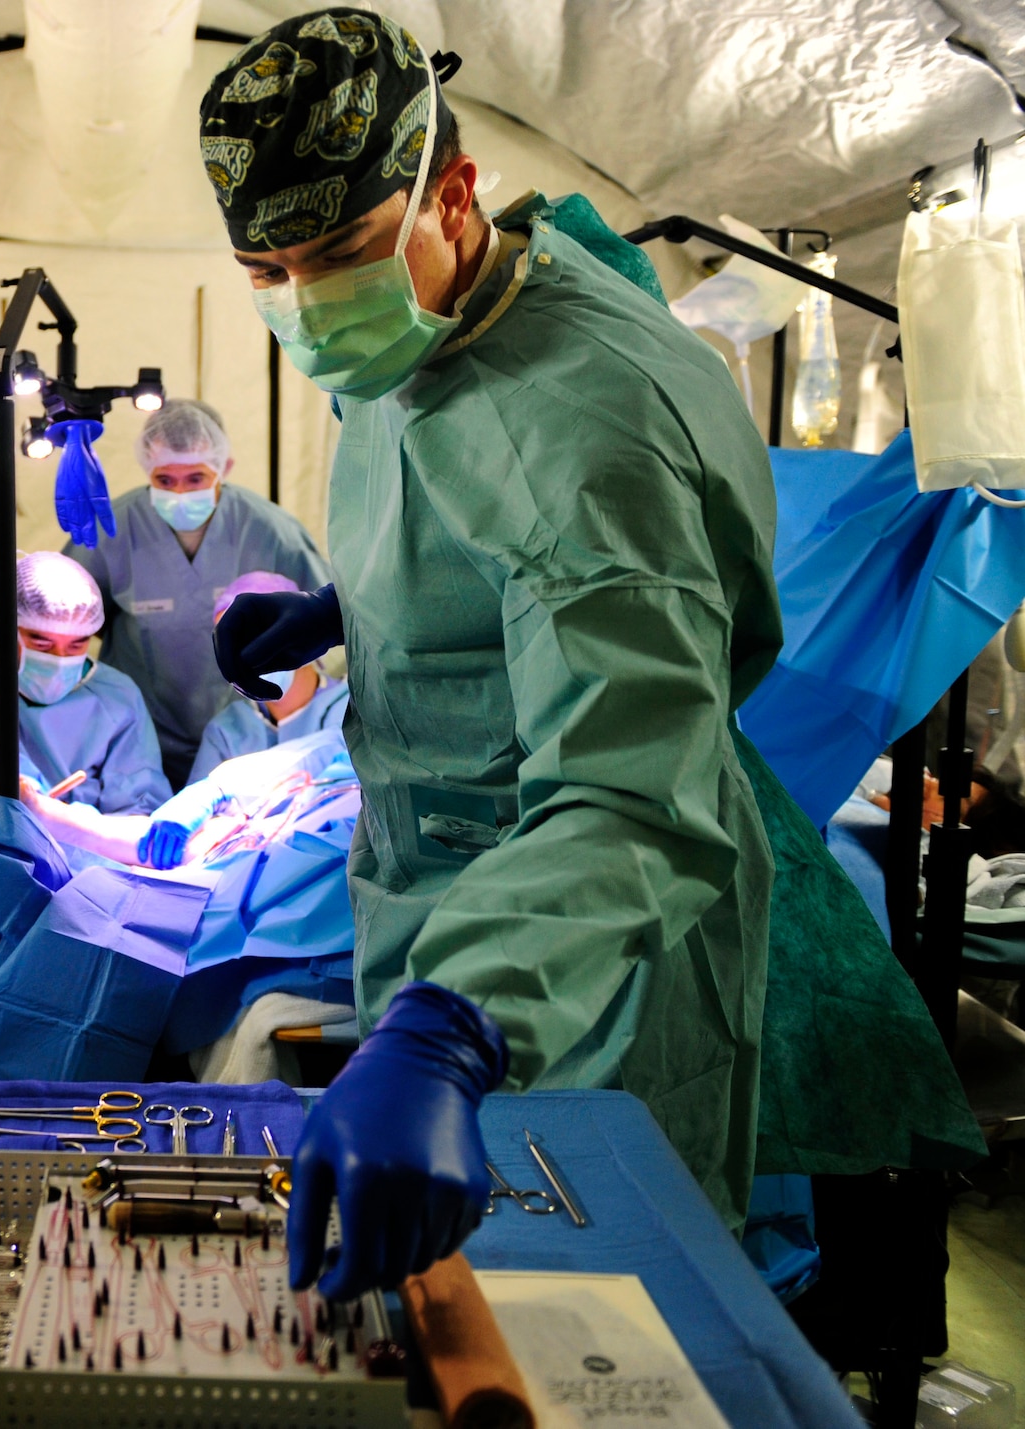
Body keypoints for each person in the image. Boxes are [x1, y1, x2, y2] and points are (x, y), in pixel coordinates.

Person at [204, 10, 783, 1297]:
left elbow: (633, 792)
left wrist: (453, 1028)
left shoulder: (591, 429)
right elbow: (472, 532)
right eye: (265, 267)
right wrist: (346, 610)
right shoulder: (410, 323)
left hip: (584, 956)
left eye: (338, 253)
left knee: (595, 1330)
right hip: (444, 912)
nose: (305, 304)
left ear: (451, 194)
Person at [64, 397, 329, 786]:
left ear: (224, 469)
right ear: (147, 470)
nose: (180, 493)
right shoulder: (112, 528)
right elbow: (67, 622)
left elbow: (323, 626)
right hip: (137, 739)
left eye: (196, 479)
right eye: (165, 480)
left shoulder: (270, 531)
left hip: (243, 736)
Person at [0, 550, 171, 817]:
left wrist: (74, 827)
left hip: (86, 857)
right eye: (41, 643)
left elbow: (139, 807)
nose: (59, 659)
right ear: (4, 626)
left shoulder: (116, 696)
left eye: (77, 645)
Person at [188, 571, 350, 782]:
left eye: (259, 635)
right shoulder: (227, 729)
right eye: (233, 644)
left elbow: (340, 752)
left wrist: (228, 785)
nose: (248, 650)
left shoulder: (354, 704)